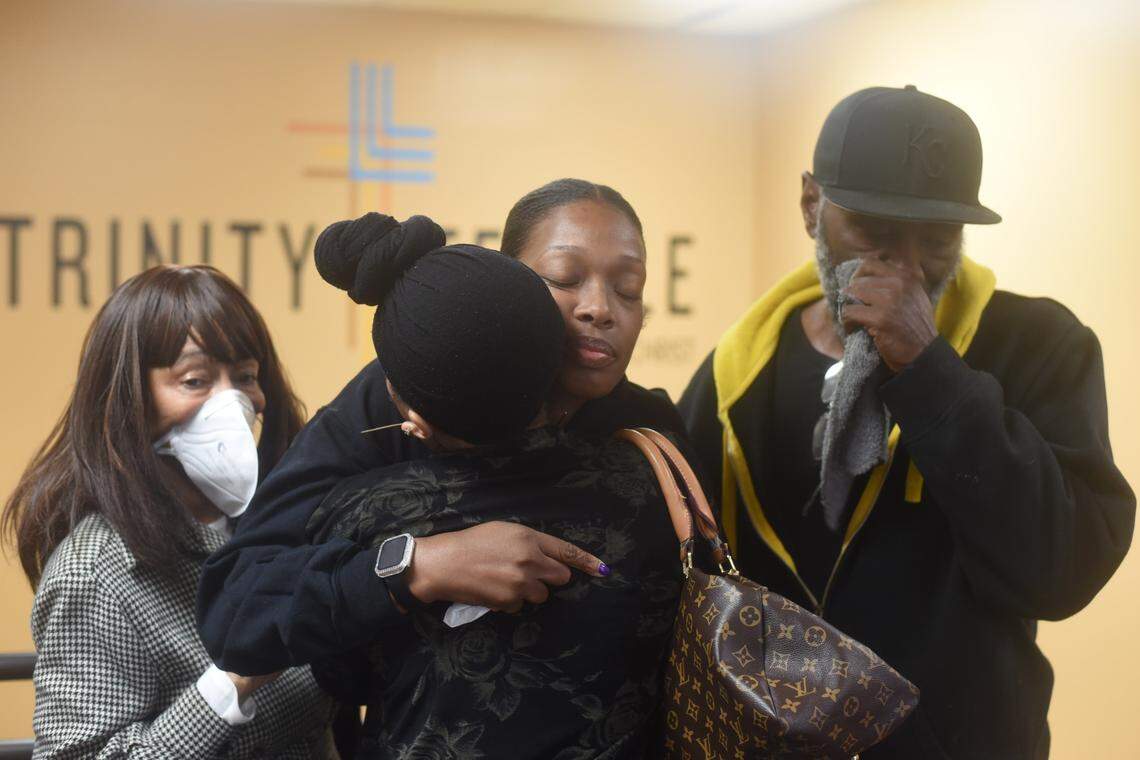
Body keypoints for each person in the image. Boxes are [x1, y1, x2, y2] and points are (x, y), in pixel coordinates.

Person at [679, 84, 1135, 758]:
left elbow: (1063, 570)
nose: (910, 267)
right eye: (874, 231)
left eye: (939, 237)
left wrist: (930, 372)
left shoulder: (1039, 344)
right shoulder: (739, 371)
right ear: (812, 205)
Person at [203, 217, 682, 759]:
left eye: (629, 288)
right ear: (511, 279)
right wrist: (417, 565)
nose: (598, 307)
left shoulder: (652, 442)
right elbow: (240, 610)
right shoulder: (385, 404)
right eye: (564, 278)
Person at [3, 266, 339, 758]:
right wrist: (232, 681)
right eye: (195, 379)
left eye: (245, 377)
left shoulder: (279, 527)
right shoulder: (96, 573)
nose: (232, 404)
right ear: (131, 399)